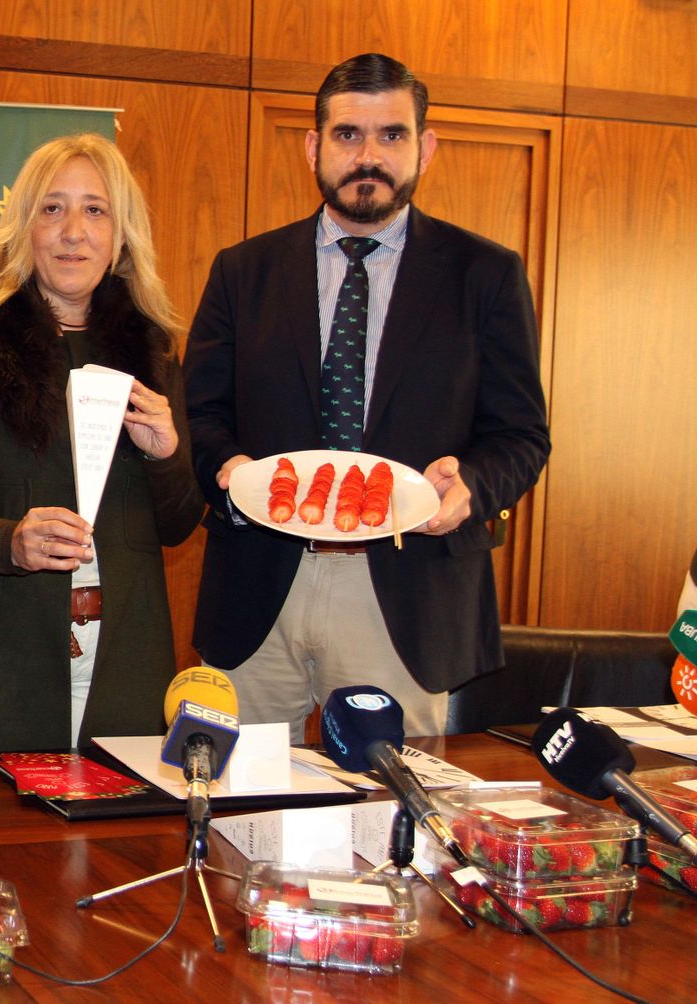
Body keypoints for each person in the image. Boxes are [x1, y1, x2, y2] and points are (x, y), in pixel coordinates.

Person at [182, 53, 550, 741]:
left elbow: (522, 435)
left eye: (392, 135)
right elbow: (200, 414)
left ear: (425, 147)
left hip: (405, 594)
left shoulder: (487, 276)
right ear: (314, 147)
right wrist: (229, 471)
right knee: (237, 807)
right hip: (260, 585)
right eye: (349, 135)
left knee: (387, 820)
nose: (369, 156)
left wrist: (471, 484)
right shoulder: (243, 272)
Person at [0, 133, 204, 763]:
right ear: (22, 228)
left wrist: (166, 453)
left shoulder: (155, 355)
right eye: (52, 208)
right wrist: (8, 540)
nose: (74, 231)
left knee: (114, 856)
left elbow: (179, 526)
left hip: (123, 662)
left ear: (121, 235)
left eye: (95, 210)